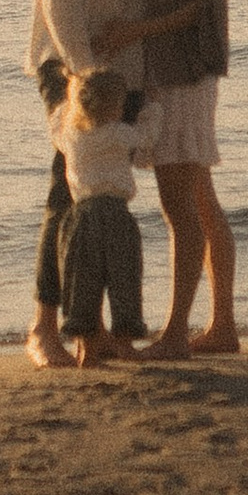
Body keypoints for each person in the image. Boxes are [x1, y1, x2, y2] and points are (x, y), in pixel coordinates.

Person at [22, 0, 178, 369]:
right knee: (70, 192)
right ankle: (43, 329)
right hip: (73, 65)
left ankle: (101, 333)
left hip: (113, 70)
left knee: (104, 198)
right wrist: (86, 75)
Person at [139, 0, 241, 356]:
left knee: (180, 205)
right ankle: (221, 325)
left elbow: (195, 8)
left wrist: (133, 32)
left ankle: (177, 331)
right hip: (186, 71)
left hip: (182, 72)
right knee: (200, 199)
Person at [52, 67, 155, 364]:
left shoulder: (71, 137)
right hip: (115, 213)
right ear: (115, 106)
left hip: (81, 216)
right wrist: (153, 108)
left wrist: (69, 91)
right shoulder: (118, 133)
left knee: (82, 282)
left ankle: (86, 346)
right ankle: (125, 343)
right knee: (124, 278)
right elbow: (147, 137)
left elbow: (56, 121)